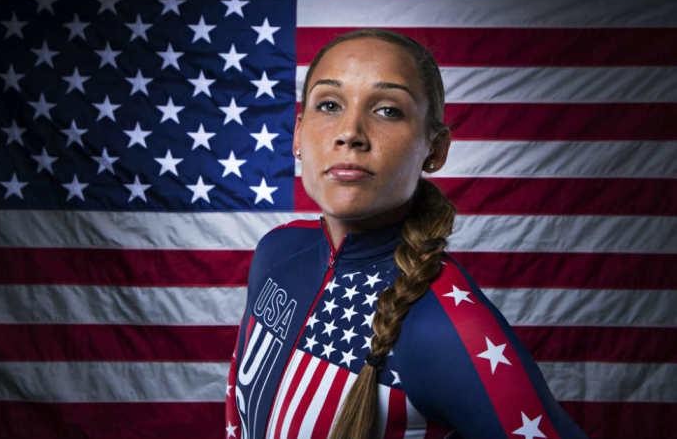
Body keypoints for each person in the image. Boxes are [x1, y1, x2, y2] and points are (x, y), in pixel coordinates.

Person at [225, 29, 587, 439]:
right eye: (329, 104)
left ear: (435, 149)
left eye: (388, 111)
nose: (350, 133)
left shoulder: (449, 326)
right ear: (298, 134)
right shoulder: (277, 250)